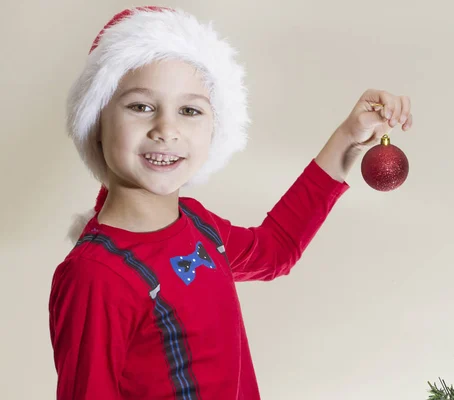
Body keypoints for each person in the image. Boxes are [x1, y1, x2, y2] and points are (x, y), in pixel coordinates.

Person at [48, 5, 413, 400]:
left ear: (214, 128)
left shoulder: (198, 225)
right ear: (97, 121)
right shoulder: (95, 276)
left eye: (189, 110)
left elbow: (276, 250)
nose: (166, 130)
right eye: (141, 106)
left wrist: (348, 137)